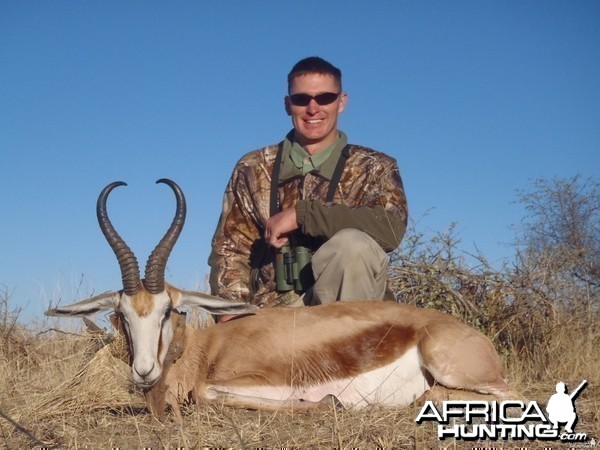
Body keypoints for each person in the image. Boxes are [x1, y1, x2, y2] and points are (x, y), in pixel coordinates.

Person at [209, 56, 408, 309]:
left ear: (342, 102)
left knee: (353, 246)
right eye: (302, 99)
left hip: (349, 312)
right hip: (272, 313)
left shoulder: (375, 166)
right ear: (287, 104)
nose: (313, 109)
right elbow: (231, 246)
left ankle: (348, 345)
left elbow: (390, 230)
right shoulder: (252, 167)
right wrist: (231, 311)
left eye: (325, 98)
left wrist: (304, 215)